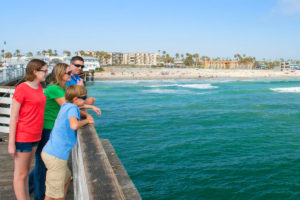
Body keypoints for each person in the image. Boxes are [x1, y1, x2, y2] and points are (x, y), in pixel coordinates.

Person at [29, 63, 100, 200]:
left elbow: (69, 103)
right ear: (60, 74)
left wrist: (86, 107)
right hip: (49, 133)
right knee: (48, 180)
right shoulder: (55, 89)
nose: (71, 73)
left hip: (54, 142)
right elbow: (73, 121)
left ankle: (38, 192)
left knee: (63, 177)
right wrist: (87, 117)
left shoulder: (64, 93)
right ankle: (37, 194)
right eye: (68, 72)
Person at [42, 85, 94, 200]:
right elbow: (74, 125)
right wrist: (87, 121)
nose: (85, 100)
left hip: (50, 152)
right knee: (53, 195)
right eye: (83, 97)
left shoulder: (66, 105)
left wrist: (85, 114)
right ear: (75, 99)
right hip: (56, 156)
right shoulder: (72, 109)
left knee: (66, 178)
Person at [8, 59, 48, 200]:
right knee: (20, 174)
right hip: (23, 136)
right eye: (44, 70)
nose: (46, 73)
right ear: (35, 71)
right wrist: (11, 143)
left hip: (35, 136)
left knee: (25, 174)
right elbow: (13, 117)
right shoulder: (22, 88)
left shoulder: (38, 88)